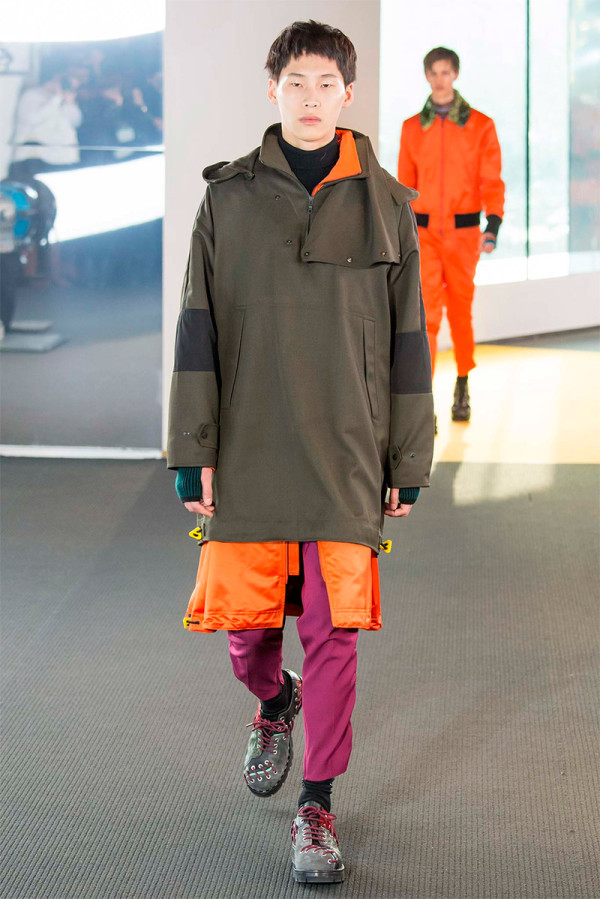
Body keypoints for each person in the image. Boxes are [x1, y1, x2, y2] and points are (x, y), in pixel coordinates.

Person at [167, 20, 434, 885]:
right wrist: (191, 448)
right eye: (296, 83)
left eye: (326, 83)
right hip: (249, 445)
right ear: (273, 89)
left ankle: (316, 805)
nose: (311, 98)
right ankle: (273, 698)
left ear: (348, 93)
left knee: (333, 631)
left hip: (348, 452)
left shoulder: (387, 204)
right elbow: (198, 330)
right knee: (247, 632)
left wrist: (408, 457)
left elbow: (409, 344)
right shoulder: (228, 199)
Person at [397, 47, 505, 423]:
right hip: (424, 235)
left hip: (463, 234)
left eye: (446, 72)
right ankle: (424, 399)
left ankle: (462, 384)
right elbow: (405, 186)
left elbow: (491, 179)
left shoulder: (480, 125)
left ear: (455, 74)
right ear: (427, 76)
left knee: (460, 312)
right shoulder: (412, 128)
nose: (440, 79)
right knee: (425, 317)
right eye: (434, 72)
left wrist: (493, 225)